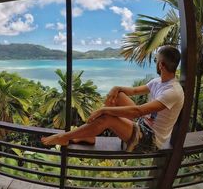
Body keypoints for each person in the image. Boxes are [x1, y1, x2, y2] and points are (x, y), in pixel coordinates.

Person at [41, 46, 184, 152]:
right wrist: (116, 87)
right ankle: (90, 135)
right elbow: (133, 91)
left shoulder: (173, 92)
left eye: (155, 60)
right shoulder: (158, 81)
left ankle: (65, 137)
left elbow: (137, 111)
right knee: (117, 96)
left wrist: (104, 110)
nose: (155, 63)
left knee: (107, 117)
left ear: (161, 65)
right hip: (142, 124)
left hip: (150, 139)